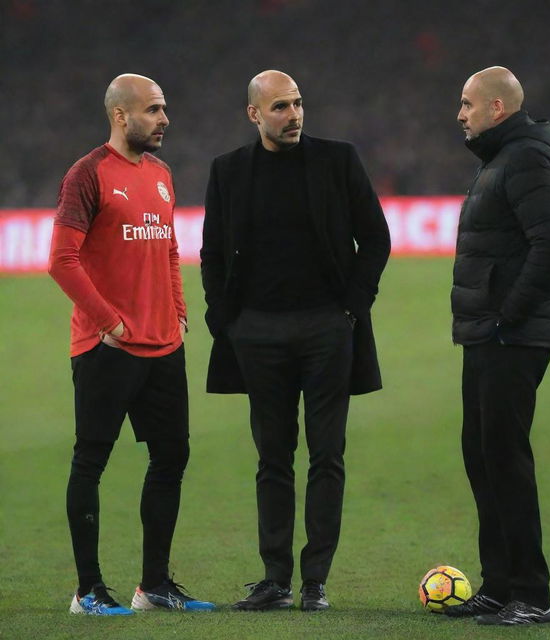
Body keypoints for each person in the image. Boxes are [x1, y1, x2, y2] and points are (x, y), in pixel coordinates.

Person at [201, 70, 390, 611]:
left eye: (299, 104)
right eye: (280, 106)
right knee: (273, 458)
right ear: (254, 114)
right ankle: (276, 579)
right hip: (257, 334)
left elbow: (375, 236)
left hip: (327, 329)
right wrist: (226, 321)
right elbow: (212, 253)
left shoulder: (338, 159)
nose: (294, 115)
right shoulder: (229, 171)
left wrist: (353, 308)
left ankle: (315, 582)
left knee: (327, 455)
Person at [49, 73, 214, 615]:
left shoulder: (163, 175)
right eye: (154, 110)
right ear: (121, 116)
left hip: (164, 345)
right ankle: (88, 591)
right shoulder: (88, 175)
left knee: (172, 457)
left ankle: (155, 587)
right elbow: (61, 261)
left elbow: (167, 249)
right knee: (91, 461)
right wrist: (108, 322)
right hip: (108, 349)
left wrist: (180, 309)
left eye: (164, 109)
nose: (165, 119)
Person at [447, 66, 550, 625]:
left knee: (504, 457)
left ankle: (532, 593)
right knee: (482, 453)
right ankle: (499, 584)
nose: (461, 113)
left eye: (468, 103)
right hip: (489, 331)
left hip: (511, 335)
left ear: (497, 108)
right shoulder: (501, 158)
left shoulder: (523, 157)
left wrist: (508, 315)